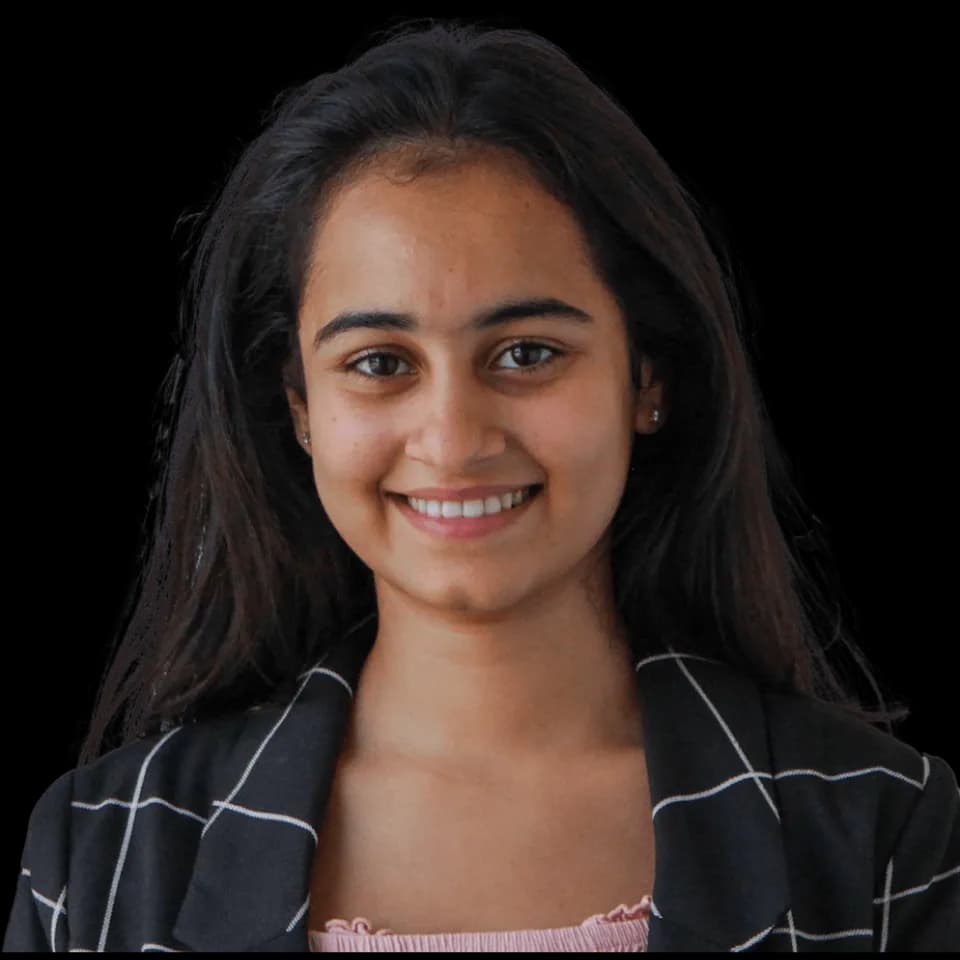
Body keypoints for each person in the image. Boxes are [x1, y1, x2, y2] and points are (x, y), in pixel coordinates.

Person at [5, 16, 958, 954]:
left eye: (527, 353)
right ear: (300, 407)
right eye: (380, 363)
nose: (454, 440)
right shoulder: (103, 858)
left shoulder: (883, 836)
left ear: (648, 380)